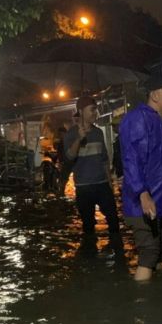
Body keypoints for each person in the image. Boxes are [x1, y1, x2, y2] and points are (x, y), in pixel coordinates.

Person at [119, 76, 162, 282]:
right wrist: (142, 193)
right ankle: (142, 306)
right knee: (149, 253)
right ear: (154, 95)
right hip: (144, 202)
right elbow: (131, 159)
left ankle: (161, 299)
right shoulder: (137, 119)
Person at [63, 96, 120, 235]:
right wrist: (79, 139)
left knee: (114, 222)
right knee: (88, 225)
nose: (95, 112)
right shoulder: (71, 134)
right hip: (84, 187)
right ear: (81, 111)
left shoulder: (98, 132)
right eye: (92, 109)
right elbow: (69, 157)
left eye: (96, 109)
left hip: (102, 185)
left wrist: (110, 183)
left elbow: (104, 160)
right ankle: (90, 254)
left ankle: (117, 252)